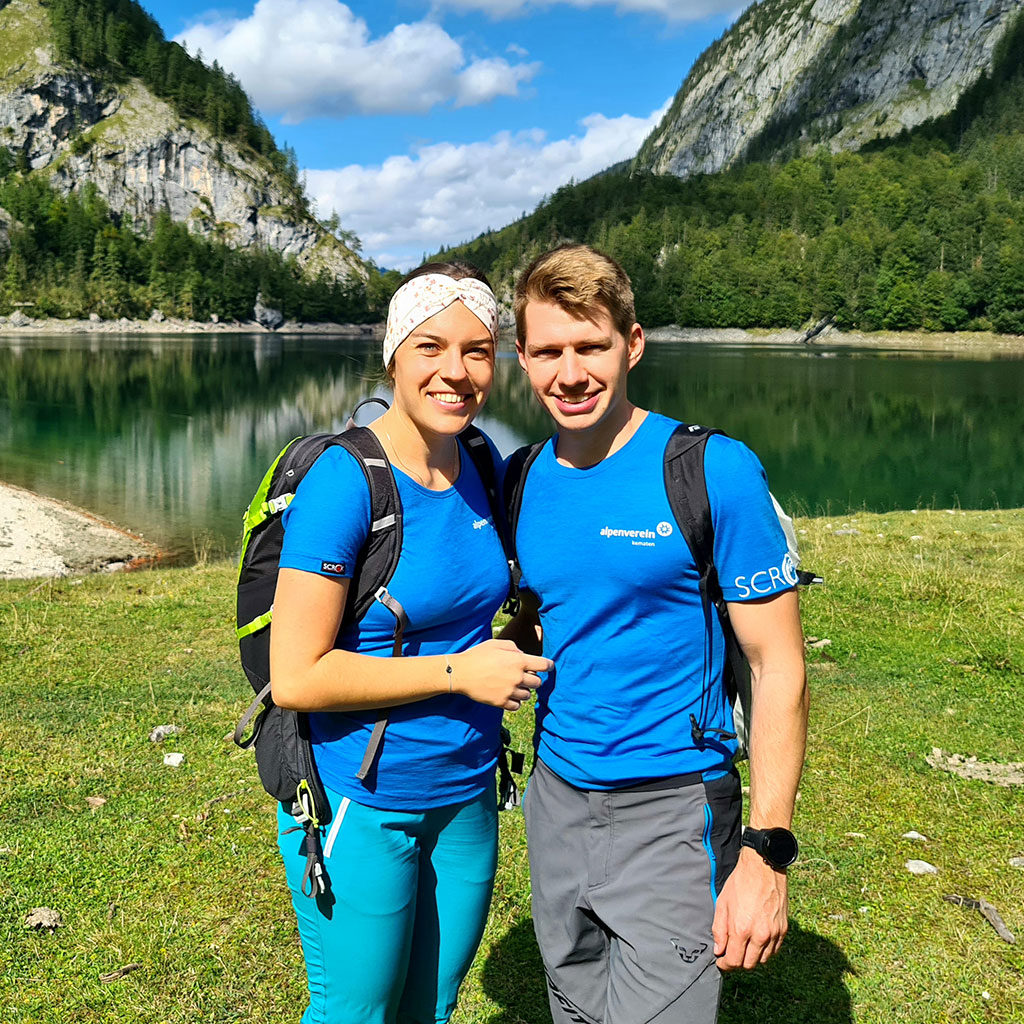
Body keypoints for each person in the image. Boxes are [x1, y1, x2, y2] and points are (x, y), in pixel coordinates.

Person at [504, 245, 808, 1024]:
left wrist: (767, 853)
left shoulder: (711, 470)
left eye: (590, 346)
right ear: (523, 357)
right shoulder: (521, 478)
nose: (569, 374)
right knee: (573, 1007)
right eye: (547, 352)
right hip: (558, 800)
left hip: (675, 812)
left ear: (632, 344)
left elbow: (778, 667)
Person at [268, 260, 552, 1024]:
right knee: (354, 1015)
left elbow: (476, 602)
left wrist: (523, 636)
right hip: (362, 803)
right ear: (394, 353)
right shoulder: (346, 479)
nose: (455, 373)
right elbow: (295, 676)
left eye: (477, 350)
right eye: (431, 348)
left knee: (431, 1006)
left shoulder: (482, 464)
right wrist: (461, 672)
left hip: (466, 796)